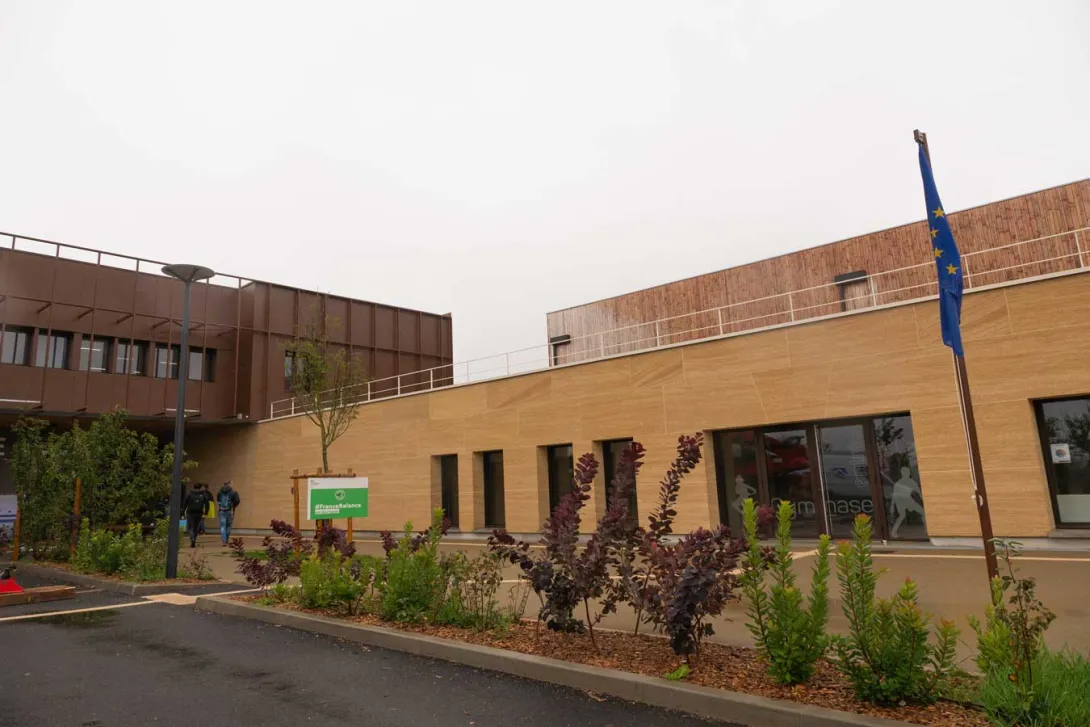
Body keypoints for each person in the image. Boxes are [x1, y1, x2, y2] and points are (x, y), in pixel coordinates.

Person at [183, 484, 210, 548]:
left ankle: (192, 539)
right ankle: (194, 540)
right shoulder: (203, 495)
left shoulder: (189, 494)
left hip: (190, 512)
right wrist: (206, 512)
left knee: (190, 527)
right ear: (200, 488)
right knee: (195, 527)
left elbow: (185, 503)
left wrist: (182, 511)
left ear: (194, 487)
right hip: (199, 513)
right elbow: (207, 504)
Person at [216, 480, 241, 546]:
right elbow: (237, 501)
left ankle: (224, 540)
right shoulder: (234, 492)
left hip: (221, 510)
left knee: (222, 526)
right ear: (229, 484)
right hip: (230, 510)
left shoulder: (219, 492)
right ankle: (226, 539)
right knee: (229, 526)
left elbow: (218, 499)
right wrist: (233, 506)